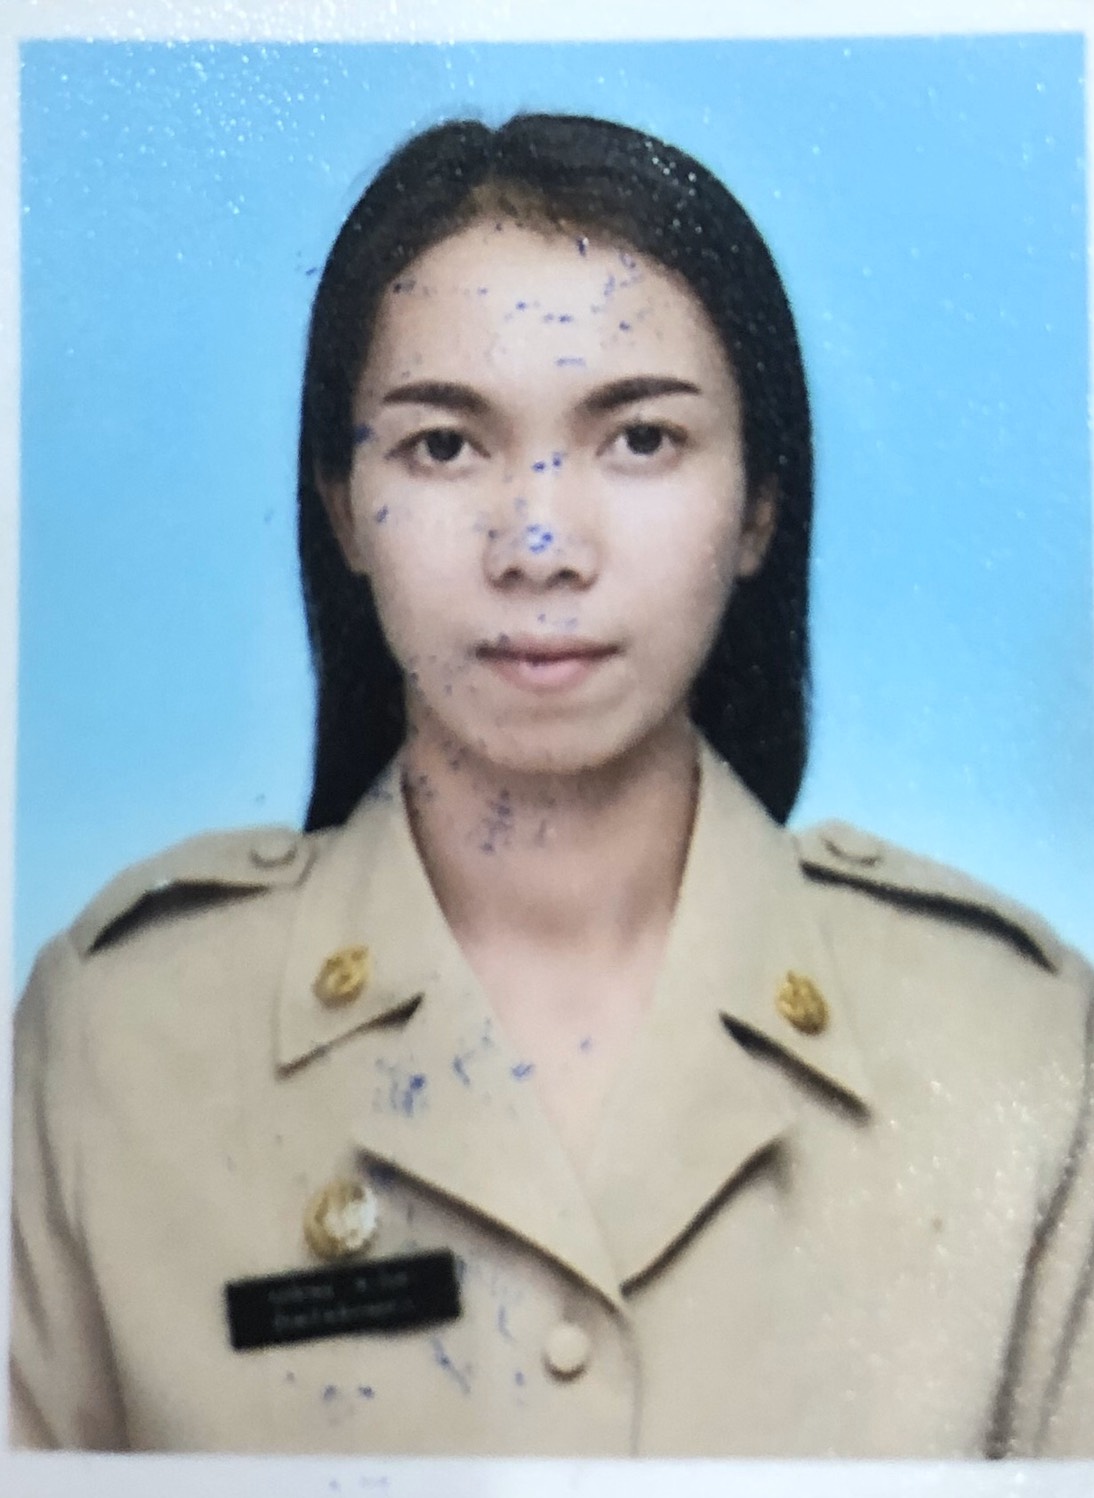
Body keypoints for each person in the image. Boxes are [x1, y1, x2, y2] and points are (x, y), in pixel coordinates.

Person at [10, 112, 1094, 1457]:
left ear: (760, 501)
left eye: (638, 439)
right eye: (443, 446)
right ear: (342, 505)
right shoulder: (119, 1038)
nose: (537, 544)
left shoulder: (1015, 1045)